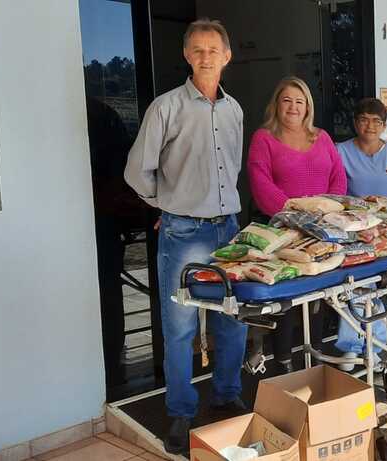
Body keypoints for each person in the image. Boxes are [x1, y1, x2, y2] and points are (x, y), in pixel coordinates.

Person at [123, 19, 247, 456]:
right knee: (179, 328)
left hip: (228, 229)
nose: (206, 56)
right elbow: (137, 171)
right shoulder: (167, 107)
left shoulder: (234, 110)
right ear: (187, 56)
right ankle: (180, 412)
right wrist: (166, 205)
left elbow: (230, 167)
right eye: (197, 49)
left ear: (227, 56)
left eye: (213, 49)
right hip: (184, 231)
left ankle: (228, 395)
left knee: (231, 319)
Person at [247, 76, 347, 374]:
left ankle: (315, 358)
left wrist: (325, 214)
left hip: (321, 230)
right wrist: (295, 215)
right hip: (282, 232)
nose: (293, 107)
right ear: (276, 104)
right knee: (287, 300)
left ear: (308, 108)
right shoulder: (264, 138)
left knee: (317, 297)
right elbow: (259, 181)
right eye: (286, 100)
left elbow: (338, 178)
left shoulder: (322, 138)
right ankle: (283, 363)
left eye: (299, 101)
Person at [334, 98, 387, 370]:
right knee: (353, 288)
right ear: (355, 122)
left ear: (383, 125)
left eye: (376, 121)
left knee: (381, 288)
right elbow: (334, 191)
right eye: (364, 119)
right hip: (353, 233)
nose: (370, 126)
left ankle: (376, 347)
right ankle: (352, 347)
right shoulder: (340, 152)